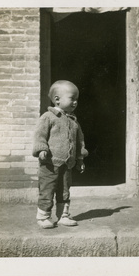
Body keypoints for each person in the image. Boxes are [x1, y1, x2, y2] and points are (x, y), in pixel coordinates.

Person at [32, 80, 88, 229]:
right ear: (57, 99)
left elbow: (79, 141)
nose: (75, 102)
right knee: (47, 190)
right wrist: (41, 149)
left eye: (77, 99)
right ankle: (43, 217)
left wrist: (80, 158)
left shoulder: (73, 121)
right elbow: (40, 135)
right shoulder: (48, 117)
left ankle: (63, 216)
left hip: (67, 164)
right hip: (49, 164)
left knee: (64, 191)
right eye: (72, 98)